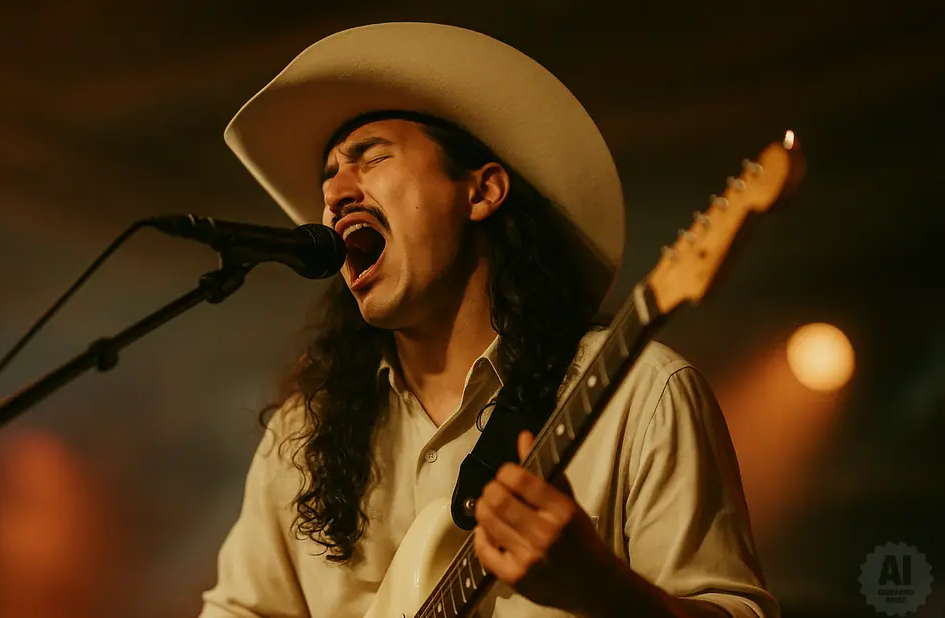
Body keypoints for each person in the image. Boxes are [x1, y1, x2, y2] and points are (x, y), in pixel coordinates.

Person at [199, 22, 779, 618]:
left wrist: (604, 591)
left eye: (370, 158)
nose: (336, 193)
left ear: (482, 191)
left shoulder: (640, 393)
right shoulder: (303, 433)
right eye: (328, 177)